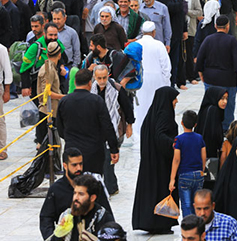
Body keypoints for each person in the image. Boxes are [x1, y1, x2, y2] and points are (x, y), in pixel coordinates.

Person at [132, 86, 180, 234]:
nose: (176, 101)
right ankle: (161, 224)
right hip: (161, 163)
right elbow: (160, 136)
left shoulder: (152, 115)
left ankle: (149, 222)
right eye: (174, 98)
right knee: (160, 190)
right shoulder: (164, 115)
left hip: (150, 162)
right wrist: (175, 144)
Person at [39, 148, 113, 240]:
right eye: (74, 165)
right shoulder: (56, 189)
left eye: (80, 164)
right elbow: (46, 218)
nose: (79, 168)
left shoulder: (92, 185)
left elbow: (107, 217)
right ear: (65, 166)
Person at [56, 69, 119, 175]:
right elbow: (107, 126)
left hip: (72, 150)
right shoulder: (97, 101)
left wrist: (70, 138)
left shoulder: (64, 101)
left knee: (73, 182)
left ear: (75, 82)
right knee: (93, 182)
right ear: (90, 83)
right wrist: (113, 148)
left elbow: (59, 127)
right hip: (93, 152)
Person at [195, 15, 237, 130]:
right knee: (228, 105)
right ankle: (226, 129)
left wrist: (201, 74)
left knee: (211, 103)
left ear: (215, 26)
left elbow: (200, 59)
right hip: (228, 79)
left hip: (211, 78)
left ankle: (211, 127)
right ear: (228, 26)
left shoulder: (208, 39)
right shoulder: (231, 40)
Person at [91, 65, 134, 195]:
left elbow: (127, 107)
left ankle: (110, 187)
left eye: (104, 78)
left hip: (114, 126)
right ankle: (105, 185)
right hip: (96, 128)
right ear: (94, 77)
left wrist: (129, 125)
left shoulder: (116, 89)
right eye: (99, 78)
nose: (102, 81)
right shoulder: (91, 89)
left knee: (109, 158)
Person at [134, 21, 172, 136]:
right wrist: (166, 82)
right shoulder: (159, 45)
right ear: (154, 32)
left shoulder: (136, 44)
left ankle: (139, 134)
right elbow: (166, 67)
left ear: (142, 32)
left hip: (140, 81)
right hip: (157, 81)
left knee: (140, 108)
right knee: (156, 106)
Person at [53, 174, 115, 240]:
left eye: (81, 194)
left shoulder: (104, 219)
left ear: (92, 198)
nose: (76, 198)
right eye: (75, 193)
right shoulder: (67, 215)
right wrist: (61, 233)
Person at [170, 110, 207, 218]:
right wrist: (202, 170)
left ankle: (189, 225)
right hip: (198, 174)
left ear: (182, 122)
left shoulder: (178, 139)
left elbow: (176, 159)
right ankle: (198, 223)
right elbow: (204, 156)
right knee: (197, 204)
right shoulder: (199, 138)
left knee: (186, 205)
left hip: (184, 175)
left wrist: (172, 179)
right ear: (195, 124)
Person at [37, 41, 66, 145]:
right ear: (59, 55)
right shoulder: (48, 70)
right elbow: (47, 93)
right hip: (47, 112)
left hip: (53, 111)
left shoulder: (52, 67)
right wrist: (63, 97)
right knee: (45, 147)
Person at [194, 87, 228, 161]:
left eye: (226, 98)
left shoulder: (207, 108)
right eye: (222, 98)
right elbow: (215, 134)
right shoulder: (214, 110)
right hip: (209, 152)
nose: (225, 102)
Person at [0, 41, 11, 161]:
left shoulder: (1, 49)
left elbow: (8, 71)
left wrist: (7, 91)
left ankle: (2, 148)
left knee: (0, 119)